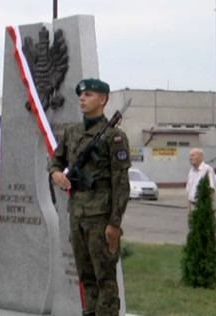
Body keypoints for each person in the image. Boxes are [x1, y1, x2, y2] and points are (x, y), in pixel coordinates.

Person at [48, 78, 131, 316]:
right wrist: (56, 174)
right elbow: (55, 159)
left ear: (103, 100)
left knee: (104, 277)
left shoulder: (114, 137)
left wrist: (114, 223)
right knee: (85, 275)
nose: (82, 99)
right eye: (81, 96)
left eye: (89, 95)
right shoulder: (73, 132)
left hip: (101, 216)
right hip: (77, 213)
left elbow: (121, 183)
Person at [185, 148, 216, 218]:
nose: (190, 158)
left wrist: (206, 207)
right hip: (193, 206)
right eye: (190, 156)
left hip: (203, 206)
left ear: (200, 157)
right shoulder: (191, 171)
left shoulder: (208, 170)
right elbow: (189, 192)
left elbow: (211, 190)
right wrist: (189, 208)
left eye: (193, 155)